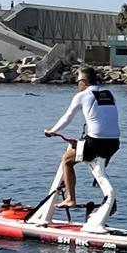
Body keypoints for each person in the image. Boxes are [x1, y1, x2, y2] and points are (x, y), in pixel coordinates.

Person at [43, 66, 120, 208]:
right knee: (97, 169)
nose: (77, 85)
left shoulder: (82, 96)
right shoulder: (108, 94)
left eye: (77, 82)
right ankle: (109, 200)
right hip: (114, 143)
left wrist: (52, 131)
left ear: (83, 81)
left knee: (66, 160)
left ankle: (70, 199)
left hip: (95, 142)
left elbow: (67, 118)